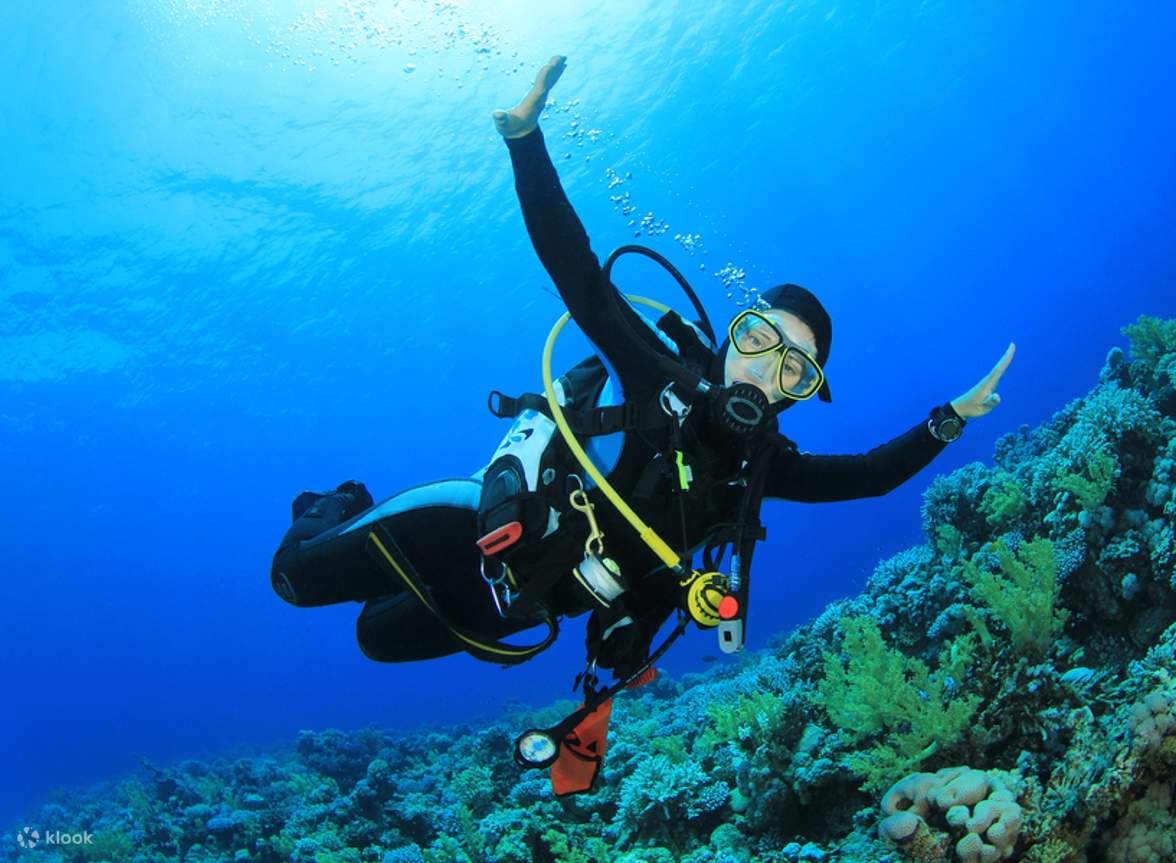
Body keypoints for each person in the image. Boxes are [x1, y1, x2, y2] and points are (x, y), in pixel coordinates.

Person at [270, 55, 1014, 788]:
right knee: (294, 580)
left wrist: (950, 418)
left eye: (793, 367)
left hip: (514, 605)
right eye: (759, 340)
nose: (763, 369)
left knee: (375, 637)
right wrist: (526, 144)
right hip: (470, 525)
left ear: (799, 391)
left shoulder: (761, 470)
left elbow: (868, 477)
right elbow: (577, 272)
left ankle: (364, 541)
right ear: (732, 334)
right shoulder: (657, 372)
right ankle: (334, 508)